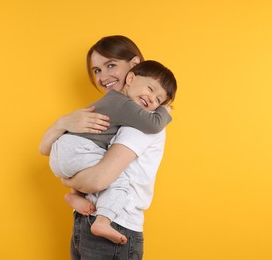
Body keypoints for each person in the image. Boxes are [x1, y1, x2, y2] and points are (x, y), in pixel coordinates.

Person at [39, 35, 175, 259]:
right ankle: (90, 209)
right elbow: (97, 180)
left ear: (133, 67)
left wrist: (67, 180)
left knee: (93, 158)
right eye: (97, 70)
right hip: (97, 222)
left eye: (110, 65)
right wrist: (64, 122)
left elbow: (96, 180)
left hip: (112, 223)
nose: (102, 77)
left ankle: (76, 197)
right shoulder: (126, 109)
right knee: (107, 171)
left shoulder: (137, 115)